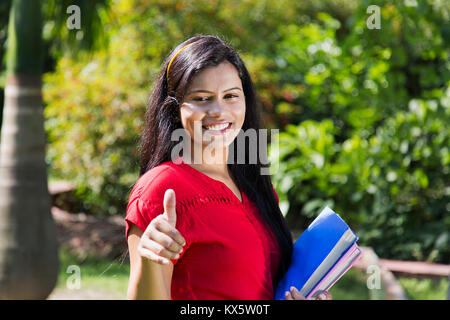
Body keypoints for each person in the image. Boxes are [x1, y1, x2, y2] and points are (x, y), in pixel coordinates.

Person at [125, 35, 332, 300]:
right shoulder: (162, 190)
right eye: (201, 98)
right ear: (175, 110)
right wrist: (151, 258)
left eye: (231, 95)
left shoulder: (255, 184)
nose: (218, 111)